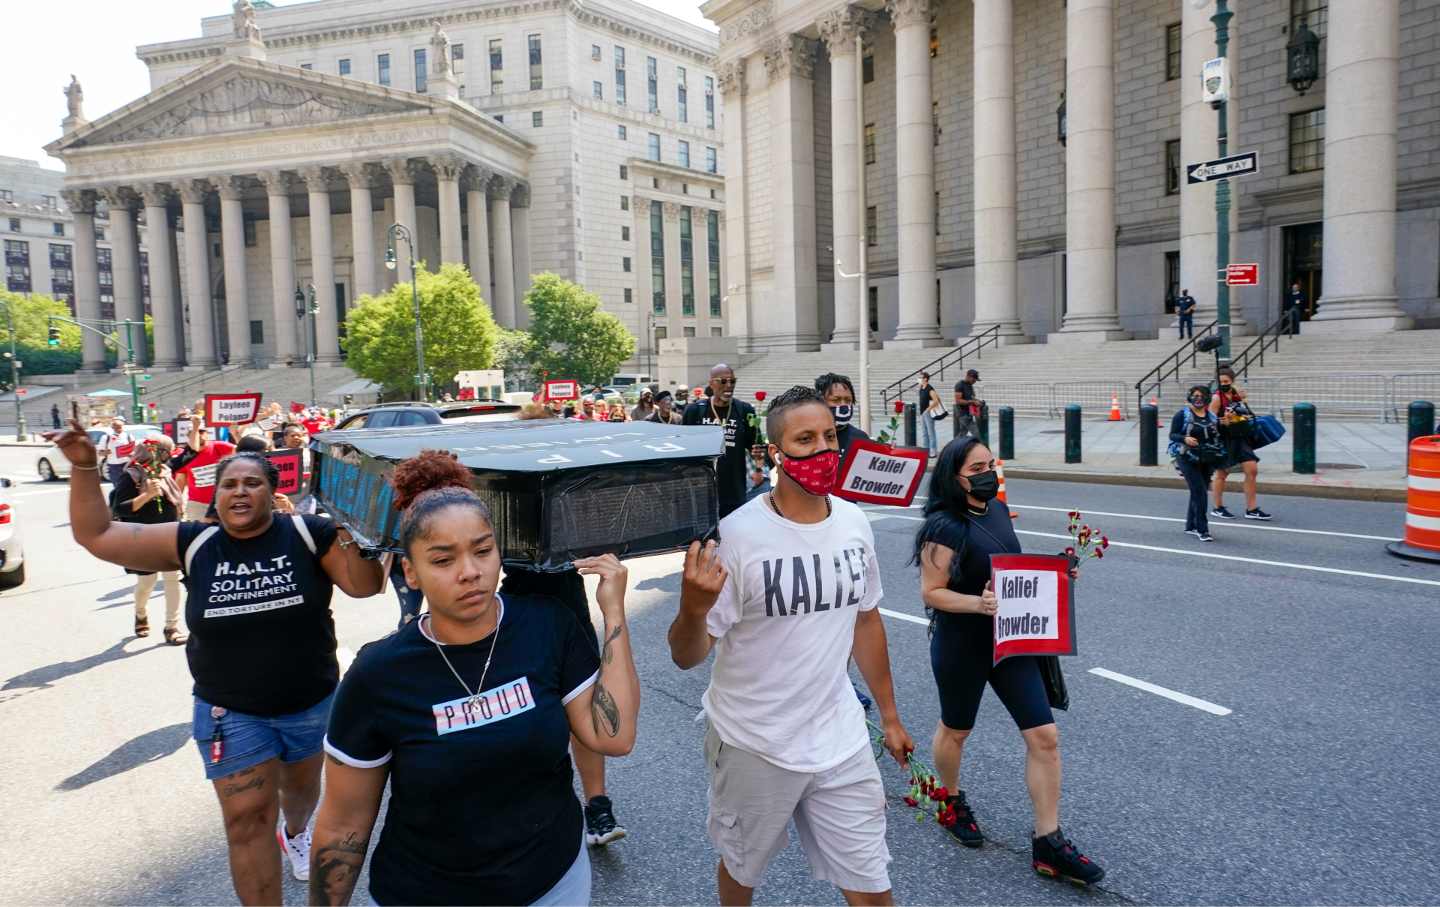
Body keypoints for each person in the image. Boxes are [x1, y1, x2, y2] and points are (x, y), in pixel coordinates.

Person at [44, 426, 385, 904]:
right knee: (247, 823)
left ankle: (297, 829)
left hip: (312, 704)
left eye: (253, 483)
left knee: (301, 794)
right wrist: (83, 466)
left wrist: (352, 525)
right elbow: (97, 535)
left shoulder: (310, 534)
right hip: (232, 714)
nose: (240, 491)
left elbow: (366, 587)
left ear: (275, 490)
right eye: (230, 484)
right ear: (216, 495)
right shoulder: (194, 542)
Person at [309, 451, 640, 906]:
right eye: (443, 560)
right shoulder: (379, 674)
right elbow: (343, 823)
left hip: (554, 884)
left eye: (483, 550)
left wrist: (614, 612)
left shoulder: (547, 627)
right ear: (412, 571)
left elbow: (614, 737)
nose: (470, 572)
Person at [669, 385, 915, 907]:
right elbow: (686, 655)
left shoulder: (853, 523)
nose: (824, 449)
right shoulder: (735, 537)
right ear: (775, 454)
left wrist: (889, 716)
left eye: (830, 435)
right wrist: (692, 606)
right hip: (755, 741)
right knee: (742, 870)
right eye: (805, 439)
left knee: (872, 884)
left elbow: (866, 621)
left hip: (840, 738)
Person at [912, 435, 1105, 885]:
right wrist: (976, 605)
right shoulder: (943, 527)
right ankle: (950, 800)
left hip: (1011, 642)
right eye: (977, 467)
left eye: (990, 463)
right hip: (963, 643)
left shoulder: (997, 509)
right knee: (956, 730)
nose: (988, 472)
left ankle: (1048, 842)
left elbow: (1010, 566)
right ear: (954, 478)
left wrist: (1055, 572)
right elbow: (931, 592)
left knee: (1045, 737)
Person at [112, 437, 187, 644]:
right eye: (166, 452)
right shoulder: (131, 475)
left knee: (172, 580)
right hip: (143, 538)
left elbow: (190, 454)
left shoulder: (165, 470)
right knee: (147, 582)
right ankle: (141, 613)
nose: (168, 456)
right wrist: (146, 495)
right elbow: (120, 508)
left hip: (170, 534)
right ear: (154, 452)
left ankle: (172, 626)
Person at [683, 363, 765, 519]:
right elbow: (684, 450)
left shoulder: (744, 410)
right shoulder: (694, 411)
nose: (729, 386)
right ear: (711, 383)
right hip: (702, 490)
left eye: (732, 381)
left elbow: (757, 447)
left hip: (734, 491)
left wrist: (759, 455)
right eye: (723, 381)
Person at [1209, 367, 1271, 521]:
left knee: (1252, 470)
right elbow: (1210, 422)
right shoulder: (1216, 398)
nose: (1223, 384)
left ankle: (1252, 509)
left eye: (1226, 381)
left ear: (1232, 381)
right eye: (1220, 381)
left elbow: (1246, 413)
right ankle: (1217, 507)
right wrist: (1223, 421)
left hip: (1241, 437)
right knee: (1222, 473)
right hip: (1225, 439)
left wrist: (1242, 402)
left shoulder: (1236, 394)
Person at [1170, 384, 1221, 541]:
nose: (1197, 399)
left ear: (1207, 398)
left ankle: (1190, 525)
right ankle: (1202, 529)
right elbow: (1172, 435)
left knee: (1199, 491)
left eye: (1201, 396)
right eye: (1195, 396)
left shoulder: (1212, 417)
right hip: (1186, 457)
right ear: (1190, 397)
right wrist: (1184, 438)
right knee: (1199, 492)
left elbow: (1216, 436)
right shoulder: (1182, 415)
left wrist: (1224, 425)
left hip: (1206, 458)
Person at [173, 417, 237, 521]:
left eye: (201, 432)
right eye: (194, 432)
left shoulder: (220, 447)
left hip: (223, 501)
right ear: (189, 437)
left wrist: (236, 433)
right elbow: (180, 481)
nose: (199, 436)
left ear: (207, 434)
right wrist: (176, 504)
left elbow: (243, 452)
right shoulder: (184, 456)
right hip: (198, 505)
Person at [816, 372, 870, 459]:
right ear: (820, 401)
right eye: (836, 400)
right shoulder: (806, 436)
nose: (843, 405)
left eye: (848, 400)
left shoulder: (860, 438)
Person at [99, 418, 136, 486]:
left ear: (123, 426)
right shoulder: (106, 437)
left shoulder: (129, 436)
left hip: (127, 465)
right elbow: (100, 453)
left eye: (120, 427)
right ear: (112, 427)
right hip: (114, 467)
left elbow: (134, 450)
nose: (118, 429)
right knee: (118, 487)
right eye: (116, 427)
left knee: (130, 487)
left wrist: (131, 454)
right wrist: (106, 452)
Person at [952, 369, 983, 440]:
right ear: (969, 376)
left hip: (968, 413)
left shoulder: (970, 385)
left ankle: (954, 448)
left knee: (962, 433)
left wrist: (977, 401)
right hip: (962, 413)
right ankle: (982, 449)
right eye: (974, 379)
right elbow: (958, 401)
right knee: (976, 433)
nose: (975, 382)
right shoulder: (959, 385)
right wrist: (972, 402)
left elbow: (972, 397)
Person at [917, 373, 942, 457]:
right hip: (922, 413)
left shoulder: (930, 389)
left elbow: (936, 400)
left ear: (925, 379)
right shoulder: (921, 388)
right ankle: (926, 450)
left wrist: (927, 410)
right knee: (924, 433)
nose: (919, 379)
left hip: (928, 413)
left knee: (931, 433)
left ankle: (933, 451)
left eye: (920, 378)